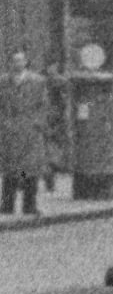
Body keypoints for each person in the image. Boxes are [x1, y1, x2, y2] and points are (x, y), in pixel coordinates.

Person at [0, 48, 51, 218]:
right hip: (10, 132)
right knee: (11, 170)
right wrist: (4, 123)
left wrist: (37, 123)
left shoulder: (37, 81)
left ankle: (29, 205)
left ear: (26, 62)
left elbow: (44, 105)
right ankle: (7, 205)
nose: (18, 64)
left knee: (29, 171)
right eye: (15, 61)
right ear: (10, 63)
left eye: (21, 60)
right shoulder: (3, 82)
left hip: (30, 132)